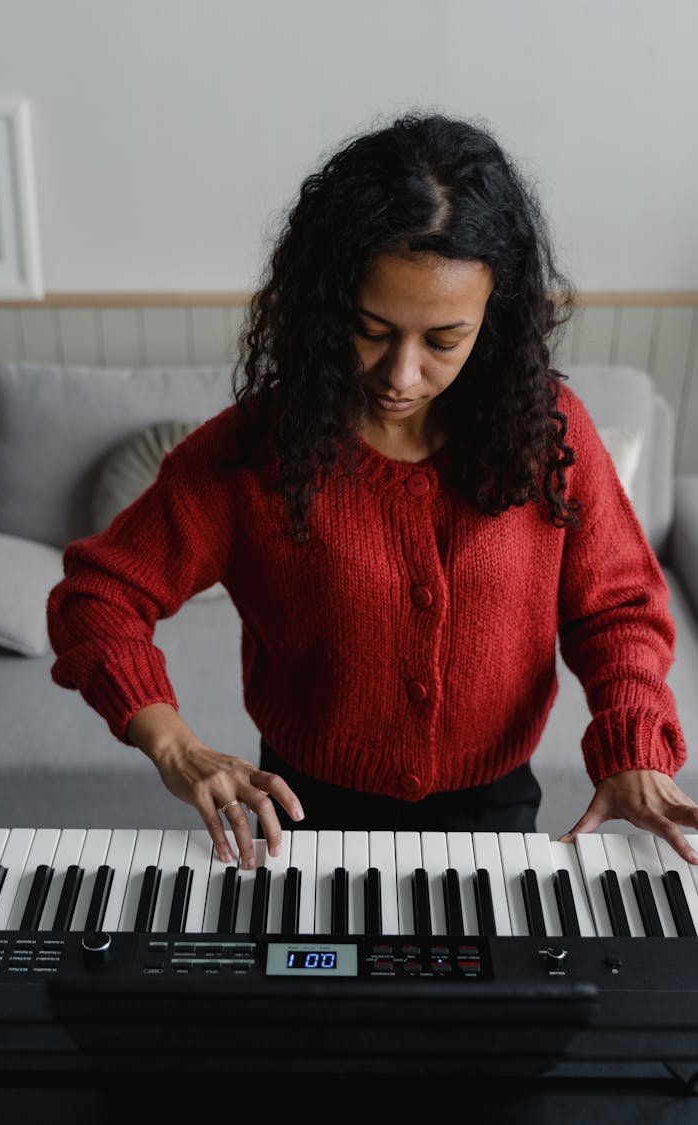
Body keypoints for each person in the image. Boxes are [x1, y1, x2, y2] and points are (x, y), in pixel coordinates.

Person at [47, 111, 698, 875]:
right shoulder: (256, 450)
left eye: (443, 340)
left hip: (494, 808)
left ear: (496, 317)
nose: (401, 374)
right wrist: (175, 746)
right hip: (298, 812)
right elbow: (98, 595)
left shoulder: (551, 436)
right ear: (327, 304)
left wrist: (632, 740)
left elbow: (615, 606)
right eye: (371, 328)